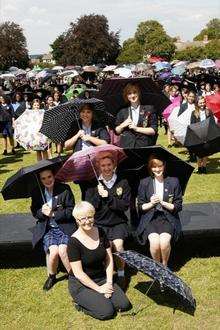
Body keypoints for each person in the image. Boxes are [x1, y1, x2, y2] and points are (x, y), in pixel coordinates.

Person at [67, 201, 131, 320]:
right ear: (77, 220)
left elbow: (109, 259)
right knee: (107, 312)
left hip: (101, 278)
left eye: (90, 217)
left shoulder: (100, 232)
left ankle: (99, 297)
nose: (87, 221)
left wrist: (109, 283)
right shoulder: (73, 242)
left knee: (124, 305)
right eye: (83, 219)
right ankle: (80, 306)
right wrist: (99, 289)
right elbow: (79, 274)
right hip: (81, 284)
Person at [85, 153, 131, 287]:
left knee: (118, 245)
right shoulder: (92, 185)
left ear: (114, 165)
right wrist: (98, 196)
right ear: (98, 166)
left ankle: (121, 272)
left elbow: (124, 206)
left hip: (118, 222)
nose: (106, 168)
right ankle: (106, 274)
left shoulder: (123, 182)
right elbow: (90, 208)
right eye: (103, 165)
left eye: (109, 165)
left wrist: (108, 197)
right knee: (106, 247)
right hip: (100, 223)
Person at [31, 169, 76, 291]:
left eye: (49, 176)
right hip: (48, 229)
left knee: (63, 250)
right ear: (40, 180)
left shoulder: (64, 189)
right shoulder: (37, 192)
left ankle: (73, 276)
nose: (47, 180)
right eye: (43, 178)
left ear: (54, 176)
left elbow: (71, 211)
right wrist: (42, 212)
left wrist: (53, 214)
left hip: (64, 226)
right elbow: (35, 212)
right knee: (54, 252)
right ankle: (52, 276)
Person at [136, 155, 182, 267]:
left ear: (164, 166)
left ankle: (164, 265)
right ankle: (158, 266)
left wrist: (163, 202)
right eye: (154, 167)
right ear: (150, 168)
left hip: (167, 217)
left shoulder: (173, 182)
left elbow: (178, 206)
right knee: (155, 243)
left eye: (160, 166)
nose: (157, 169)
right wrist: (151, 203)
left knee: (164, 242)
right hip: (150, 218)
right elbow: (140, 207)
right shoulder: (144, 183)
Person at [115, 83, 158, 148]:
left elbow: (153, 130)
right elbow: (117, 131)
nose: (132, 95)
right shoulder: (122, 111)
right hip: (127, 146)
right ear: (126, 96)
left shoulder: (149, 109)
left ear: (139, 93)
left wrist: (136, 128)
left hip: (144, 145)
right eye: (129, 93)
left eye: (135, 92)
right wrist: (122, 125)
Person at [190, 96, 214, 174]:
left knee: (206, 151)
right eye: (200, 103)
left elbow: (212, 123)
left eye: (203, 102)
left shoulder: (209, 111)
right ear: (197, 103)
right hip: (198, 134)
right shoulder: (194, 113)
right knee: (199, 152)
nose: (202, 104)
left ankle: (204, 167)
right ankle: (199, 167)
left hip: (207, 134)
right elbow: (192, 125)